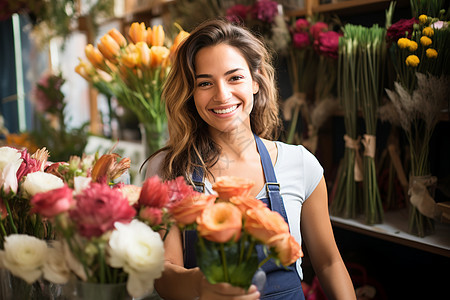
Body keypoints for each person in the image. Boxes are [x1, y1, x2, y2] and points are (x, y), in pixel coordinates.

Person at [145, 18, 356, 300]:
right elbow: (164, 274)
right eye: (205, 83)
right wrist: (201, 284)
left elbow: (329, 263)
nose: (222, 95)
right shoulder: (169, 169)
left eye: (235, 77)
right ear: (190, 94)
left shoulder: (300, 164)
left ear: (256, 81)